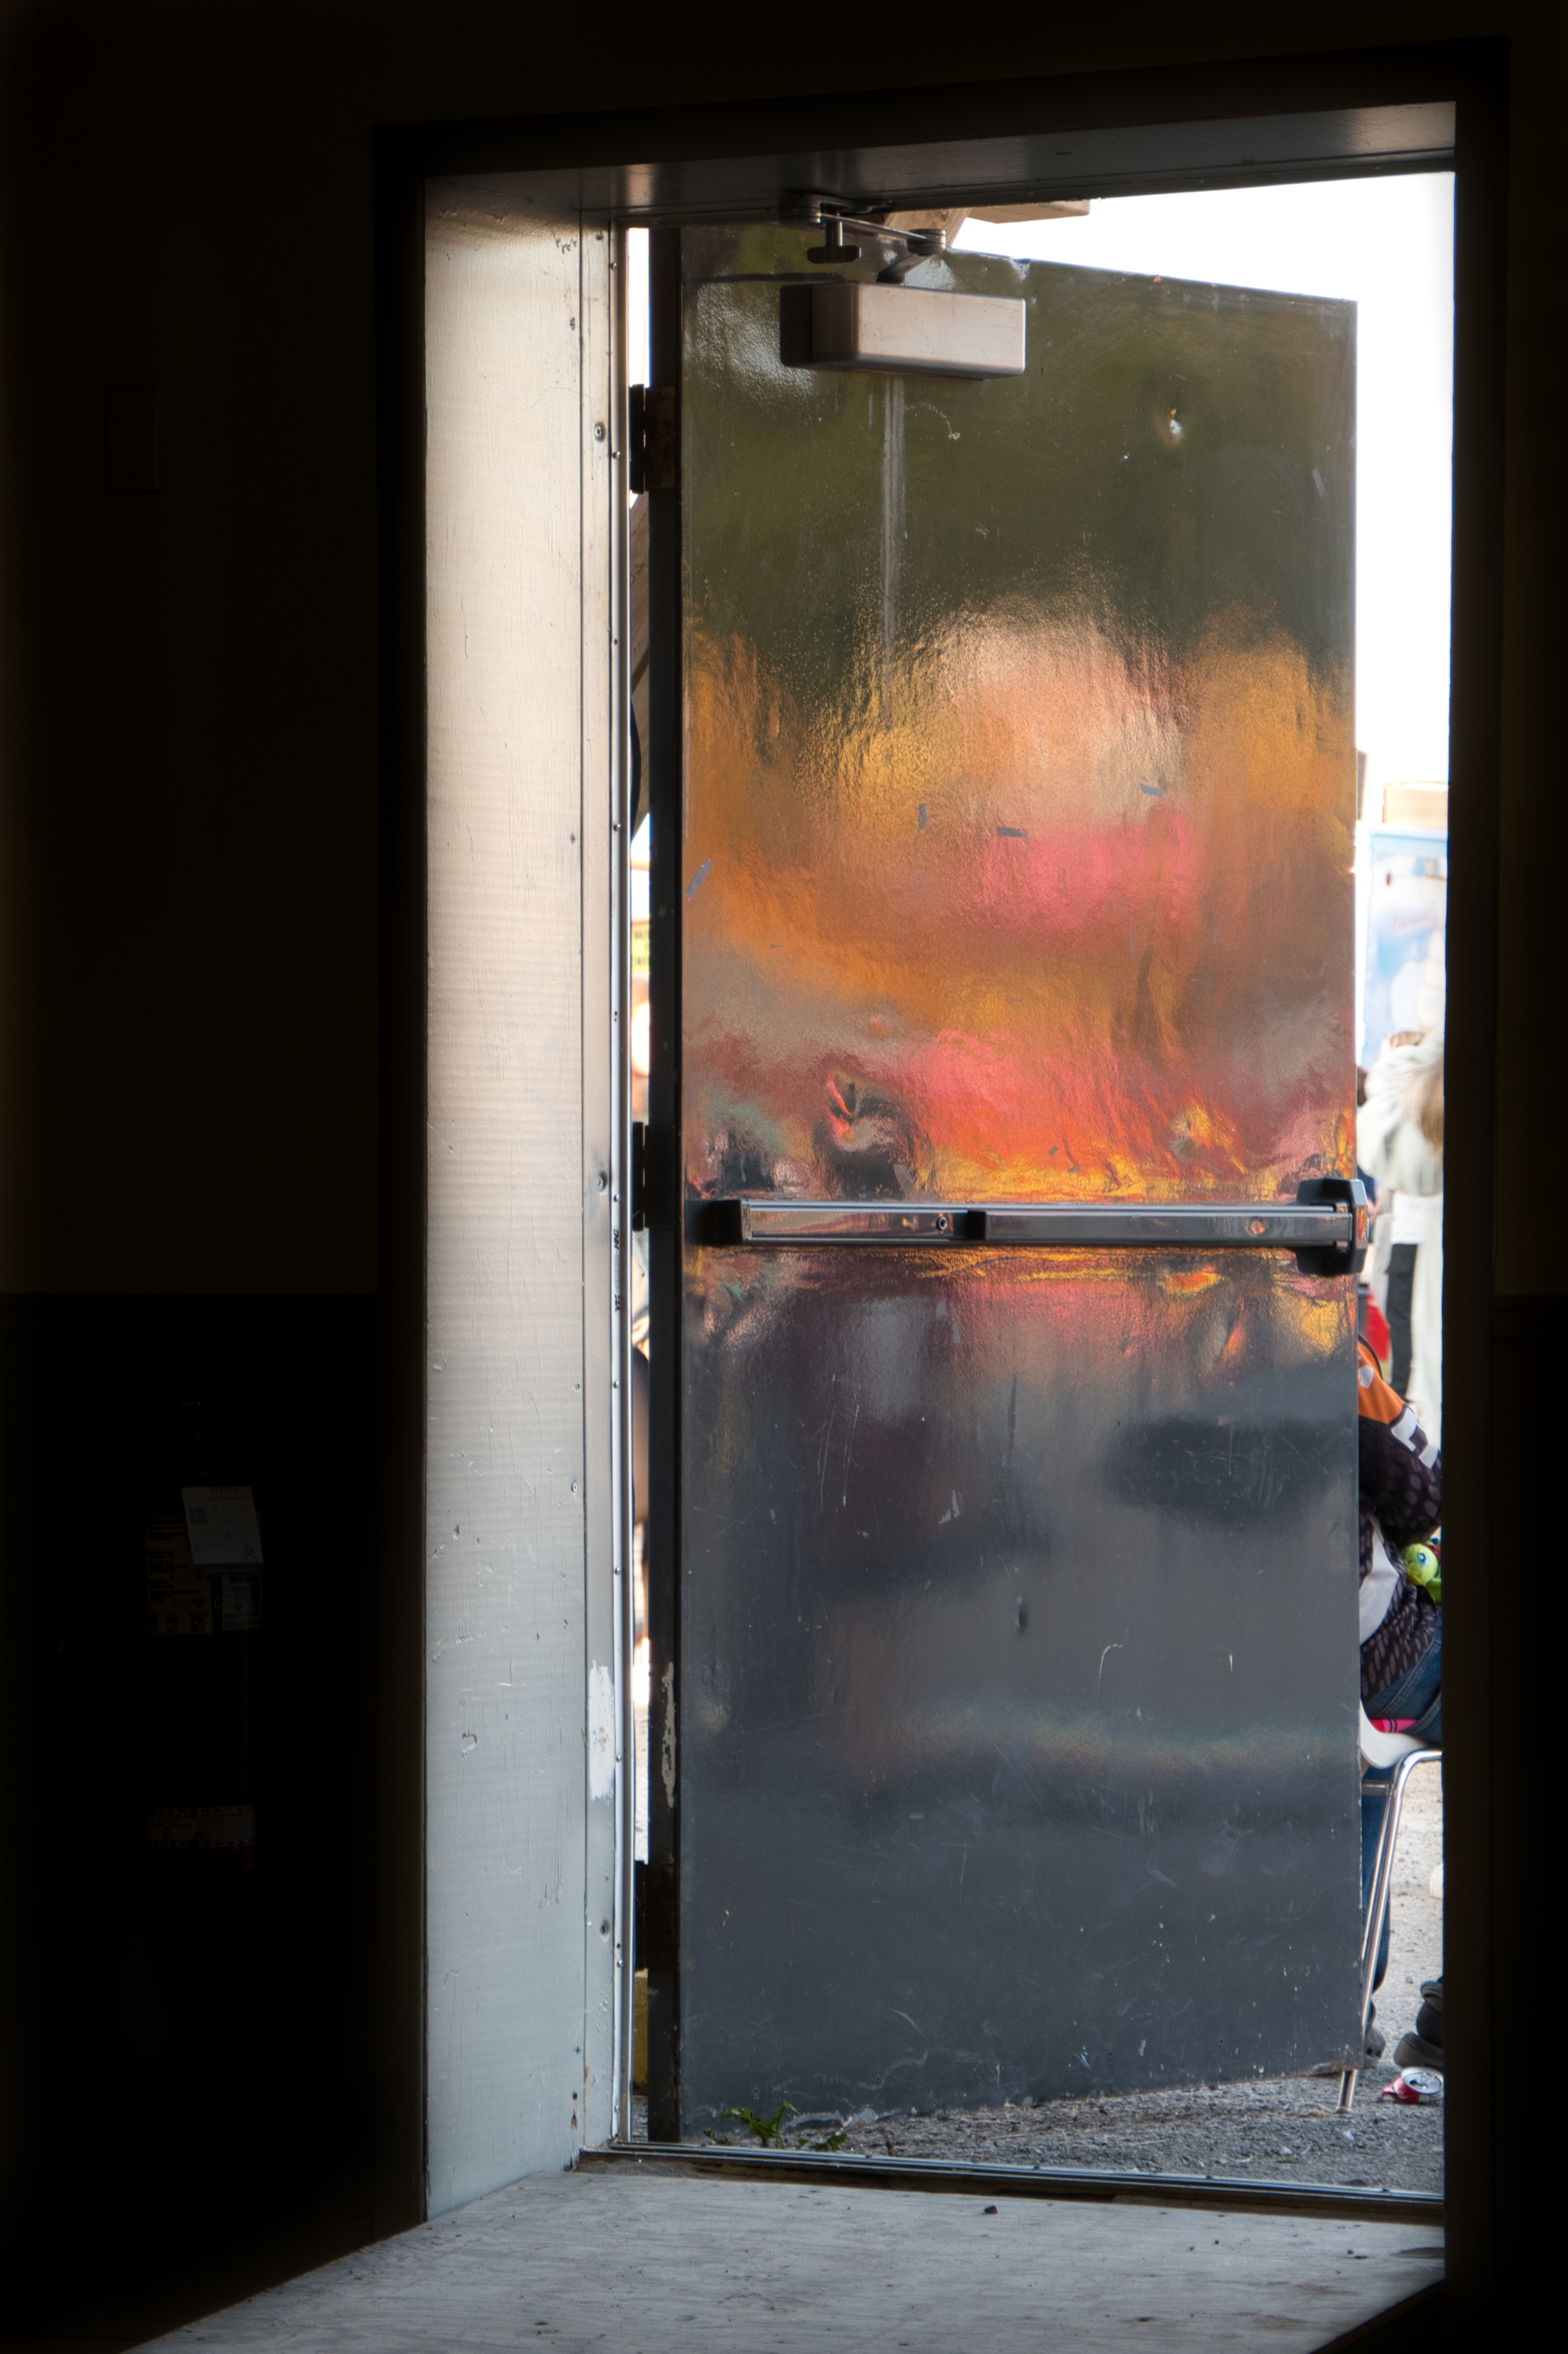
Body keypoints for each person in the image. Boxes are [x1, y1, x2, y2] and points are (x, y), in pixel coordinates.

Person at [1356, 1336, 1443, 2068]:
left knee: (1360, 1761)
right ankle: (1451, 2014)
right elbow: (1430, 1489)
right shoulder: (1337, 1356)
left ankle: (1337, 2000)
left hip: (1236, 1666)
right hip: (1378, 1670)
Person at [1357, 1028, 1444, 1441]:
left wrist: (1403, 1058)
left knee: (1402, 1321)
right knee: (1400, 1316)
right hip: (1407, 1235)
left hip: (1412, 1235)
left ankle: (1408, 1408)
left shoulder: (1418, 1128)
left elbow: (1378, 1144)